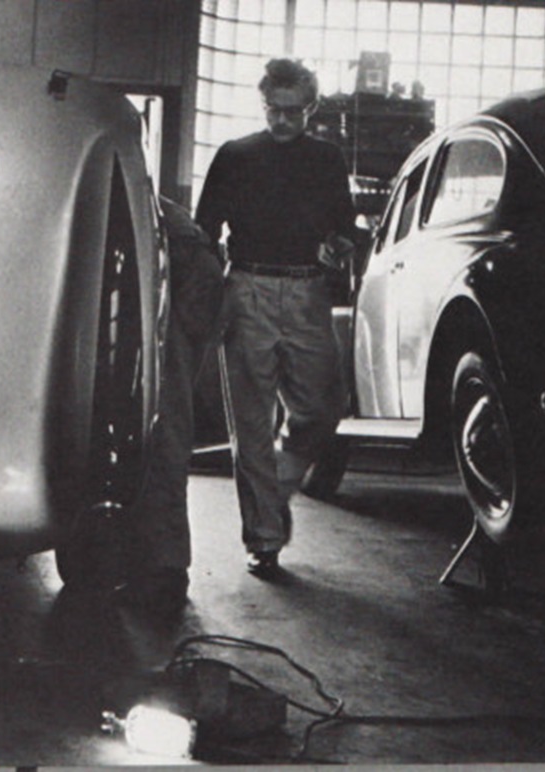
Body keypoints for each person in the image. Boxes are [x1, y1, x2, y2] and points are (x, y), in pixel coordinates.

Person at [193, 58, 355, 578]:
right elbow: (204, 233)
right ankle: (264, 537)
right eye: (273, 110)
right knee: (251, 422)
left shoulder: (328, 159)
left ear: (310, 109)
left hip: (308, 291)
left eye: (292, 112)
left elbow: (344, 227)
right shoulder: (235, 156)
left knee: (323, 408)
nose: (281, 121)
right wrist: (214, 294)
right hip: (248, 288)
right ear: (262, 104)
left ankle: (275, 489)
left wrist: (338, 245)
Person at [116, 195, 224, 615]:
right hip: (185, 274)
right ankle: (157, 565)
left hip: (181, 277)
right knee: (159, 421)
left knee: (160, 424)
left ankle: (164, 571)